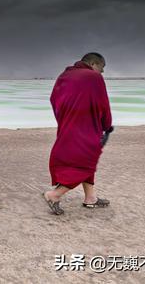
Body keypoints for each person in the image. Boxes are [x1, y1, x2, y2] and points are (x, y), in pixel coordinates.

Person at [43, 53, 113, 215]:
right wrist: (106, 125)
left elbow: (54, 99)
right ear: (94, 63)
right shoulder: (94, 77)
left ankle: (90, 198)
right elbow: (104, 104)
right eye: (102, 68)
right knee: (85, 162)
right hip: (87, 127)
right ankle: (54, 195)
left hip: (68, 125)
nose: (102, 72)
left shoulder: (64, 75)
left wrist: (64, 118)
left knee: (86, 161)